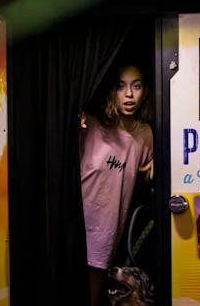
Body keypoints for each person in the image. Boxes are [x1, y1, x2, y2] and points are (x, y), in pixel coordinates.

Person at [80, 64, 154, 306]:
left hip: (106, 234)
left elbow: (143, 178)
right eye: (121, 86)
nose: (129, 94)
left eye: (136, 86)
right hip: (78, 225)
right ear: (111, 90)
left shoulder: (144, 135)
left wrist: (159, 166)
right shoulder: (90, 125)